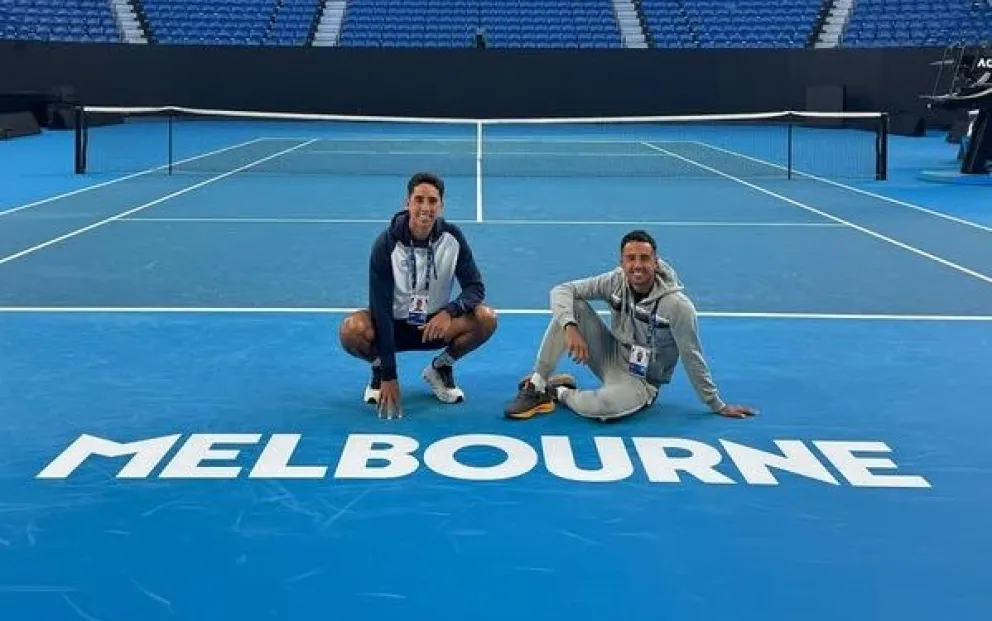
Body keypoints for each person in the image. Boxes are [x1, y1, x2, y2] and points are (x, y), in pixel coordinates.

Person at [503, 230, 755, 422]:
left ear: (656, 262)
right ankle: (536, 384)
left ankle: (557, 392)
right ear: (622, 262)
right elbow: (562, 290)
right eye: (630, 258)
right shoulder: (615, 281)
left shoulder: (678, 307)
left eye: (644, 258)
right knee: (573, 308)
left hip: (640, 381)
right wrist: (570, 326)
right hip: (611, 355)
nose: (637, 265)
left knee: (603, 409)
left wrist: (716, 404)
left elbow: (692, 357)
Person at [339, 172, 498, 419]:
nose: (425, 208)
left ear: (441, 205)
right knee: (351, 330)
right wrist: (390, 376)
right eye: (419, 200)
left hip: (434, 327)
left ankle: (440, 368)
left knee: (486, 318)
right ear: (408, 203)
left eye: (432, 201)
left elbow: (475, 288)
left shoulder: (452, 238)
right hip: (392, 325)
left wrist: (450, 311)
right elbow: (379, 309)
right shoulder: (385, 245)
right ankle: (379, 368)